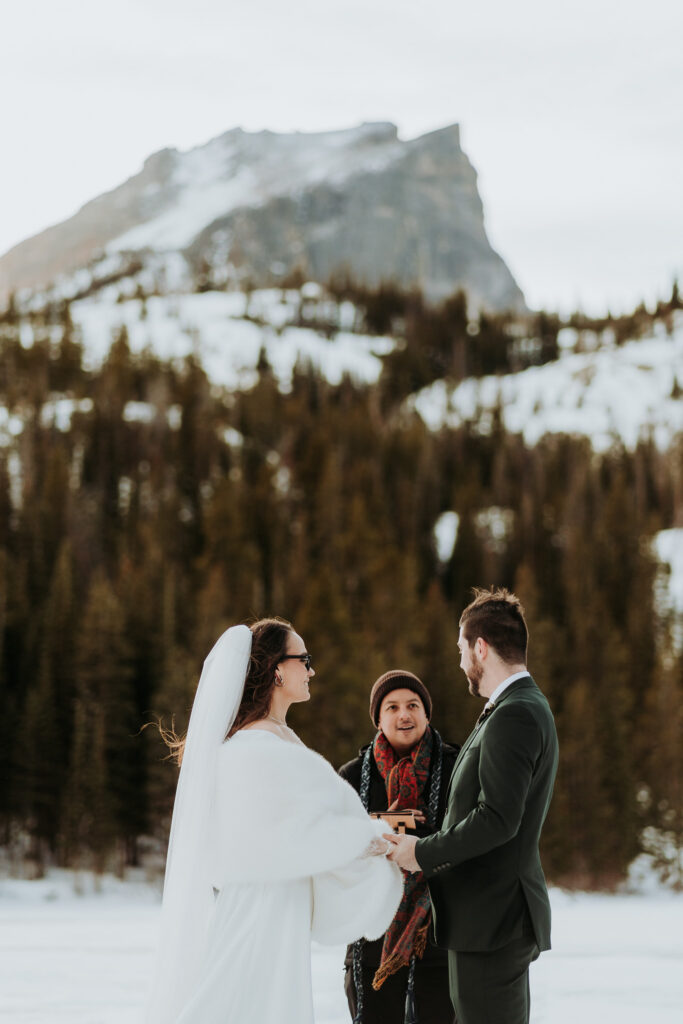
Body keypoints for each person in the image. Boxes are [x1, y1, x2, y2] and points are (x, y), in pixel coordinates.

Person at [146, 617, 402, 1024]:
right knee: (238, 1003)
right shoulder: (257, 747)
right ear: (278, 669)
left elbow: (305, 825)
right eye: (305, 659)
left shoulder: (269, 739)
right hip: (262, 907)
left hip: (278, 903)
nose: (312, 670)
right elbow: (299, 833)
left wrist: (366, 838)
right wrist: (368, 839)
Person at [385, 588, 558, 1024]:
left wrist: (420, 853)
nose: (461, 661)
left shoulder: (515, 714)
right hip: (489, 919)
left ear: (481, 647)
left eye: (462, 649)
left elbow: (498, 819)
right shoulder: (515, 708)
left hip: (493, 921)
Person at [339, 669, 460, 1024]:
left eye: (413, 705)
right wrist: (383, 828)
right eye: (391, 707)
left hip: (439, 935)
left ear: (426, 714)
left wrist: (419, 840)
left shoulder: (455, 767)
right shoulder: (352, 775)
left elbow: (469, 837)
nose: (403, 714)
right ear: (378, 718)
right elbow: (338, 848)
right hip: (372, 940)